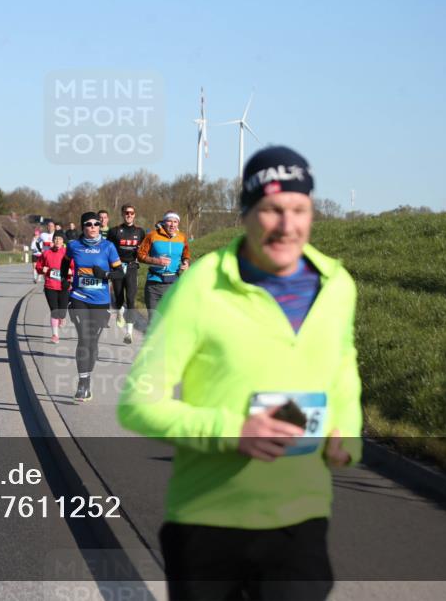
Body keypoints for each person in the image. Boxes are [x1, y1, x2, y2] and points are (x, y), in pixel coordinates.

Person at [118, 146, 362, 600]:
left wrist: (347, 434)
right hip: (209, 520)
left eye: (299, 209)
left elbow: (343, 372)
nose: (287, 226)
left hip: (300, 516)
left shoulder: (337, 285)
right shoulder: (200, 288)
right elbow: (138, 403)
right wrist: (234, 431)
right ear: (246, 213)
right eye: (271, 210)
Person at [62, 212, 124, 402]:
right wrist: (66, 280)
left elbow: (120, 273)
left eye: (96, 224)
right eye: (88, 224)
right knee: (83, 339)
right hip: (79, 297)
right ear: (83, 227)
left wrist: (105, 275)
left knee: (92, 344)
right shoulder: (74, 246)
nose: (93, 227)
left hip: (100, 301)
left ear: (100, 226)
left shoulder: (108, 247)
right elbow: (65, 263)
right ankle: (83, 383)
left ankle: (87, 379)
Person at [137, 211, 191, 320]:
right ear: (164, 222)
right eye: (169, 221)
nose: (172, 225)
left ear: (178, 223)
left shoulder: (182, 237)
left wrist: (186, 262)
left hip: (173, 284)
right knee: (154, 321)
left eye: (175, 222)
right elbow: (140, 255)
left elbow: (186, 254)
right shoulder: (152, 235)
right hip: (154, 285)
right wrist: (156, 261)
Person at [106, 203, 146, 344]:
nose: (129, 215)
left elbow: (144, 250)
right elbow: (107, 250)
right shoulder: (114, 231)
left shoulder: (140, 232)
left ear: (135, 215)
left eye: (132, 213)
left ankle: (129, 333)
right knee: (118, 298)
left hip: (131, 268)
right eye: (126, 213)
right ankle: (119, 311)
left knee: (131, 299)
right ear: (122, 214)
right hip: (117, 267)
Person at [35, 232, 71, 343]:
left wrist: (71, 271)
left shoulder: (67, 253)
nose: (57, 241)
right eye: (55, 238)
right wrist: (42, 270)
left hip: (64, 286)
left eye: (60, 239)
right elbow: (38, 266)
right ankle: (55, 335)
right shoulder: (46, 253)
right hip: (50, 286)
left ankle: (62, 317)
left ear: (63, 241)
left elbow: (76, 267)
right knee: (54, 311)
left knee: (62, 312)